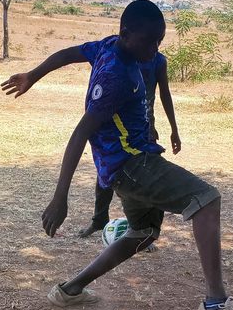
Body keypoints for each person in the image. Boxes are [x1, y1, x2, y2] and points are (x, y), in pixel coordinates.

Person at [1, 0, 233, 310]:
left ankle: (70, 290)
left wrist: (32, 75)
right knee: (206, 199)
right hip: (133, 165)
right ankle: (214, 306)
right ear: (126, 34)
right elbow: (81, 133)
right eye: (149, 41)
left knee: (143, 233)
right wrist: (59, 197)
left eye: (160, 40)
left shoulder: (109, 46)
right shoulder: (117, 77)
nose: (155, 49)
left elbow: (68, 54)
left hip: (125, 165)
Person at [78, 50, 182, 240]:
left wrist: (174, 129)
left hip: (144, 129)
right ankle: (99, 219)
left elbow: (164, 93)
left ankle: (144, 230)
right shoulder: (120, 57)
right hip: (115, 128)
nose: (153, 45)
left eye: (157, 41)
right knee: (106, 173)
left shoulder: (158, 61)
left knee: (146, 178)